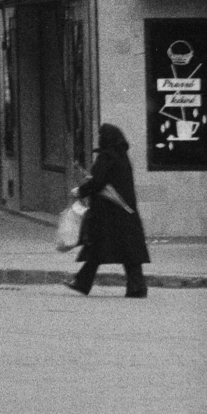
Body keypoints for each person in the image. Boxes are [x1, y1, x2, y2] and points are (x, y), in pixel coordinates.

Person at [67, 123, 150, 297]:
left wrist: (80, 191)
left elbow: (98, 182)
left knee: (97, 247)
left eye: (101, 136)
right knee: (129, 250)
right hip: (125, 211)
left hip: (107, 213)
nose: (99, 139)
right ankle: (137, 286)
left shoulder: (106, 157)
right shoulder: (122, 157)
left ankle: (82, 282)